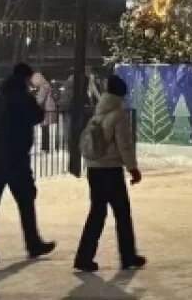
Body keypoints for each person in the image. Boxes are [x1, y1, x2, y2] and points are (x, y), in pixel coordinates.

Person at [0, 63, 55, 264]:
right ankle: (33, 242)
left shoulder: (2, 95)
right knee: (25, 199)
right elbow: (36, 116)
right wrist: (36, 97)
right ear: (25, 78)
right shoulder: (22, 96)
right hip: (15, 155)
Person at [74, 75, 145, 273]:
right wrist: (133, 168)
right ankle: (128, 255)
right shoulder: (118, 115)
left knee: (97, 212)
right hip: (111, 170)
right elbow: (124, 145)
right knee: (122, 213)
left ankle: (84, 257)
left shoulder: (98, 113)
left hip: (94, 170)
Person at [32, 72, 59, 153]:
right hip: (50, 107)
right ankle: (48, 147)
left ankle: (45, 147)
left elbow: (41, 99)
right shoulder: (49, 85)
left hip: (46, 109)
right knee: (46, 129)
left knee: (45, 129)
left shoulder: (44, 86)